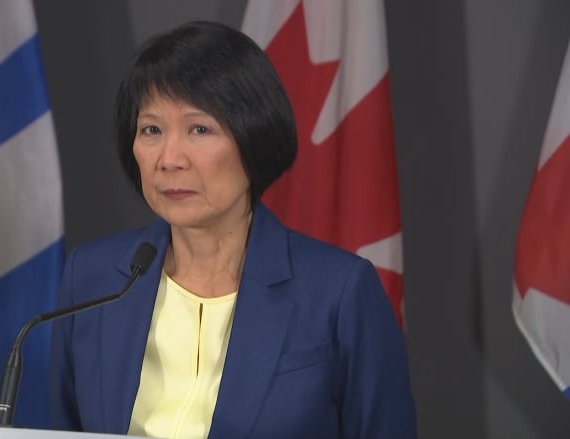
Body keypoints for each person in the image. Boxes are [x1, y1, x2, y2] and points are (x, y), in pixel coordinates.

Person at [49, 20, 416, 439]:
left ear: (254, 138)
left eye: (199, 129)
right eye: (151, 130)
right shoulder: (93, 278)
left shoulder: (338, 291)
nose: (169, 159)